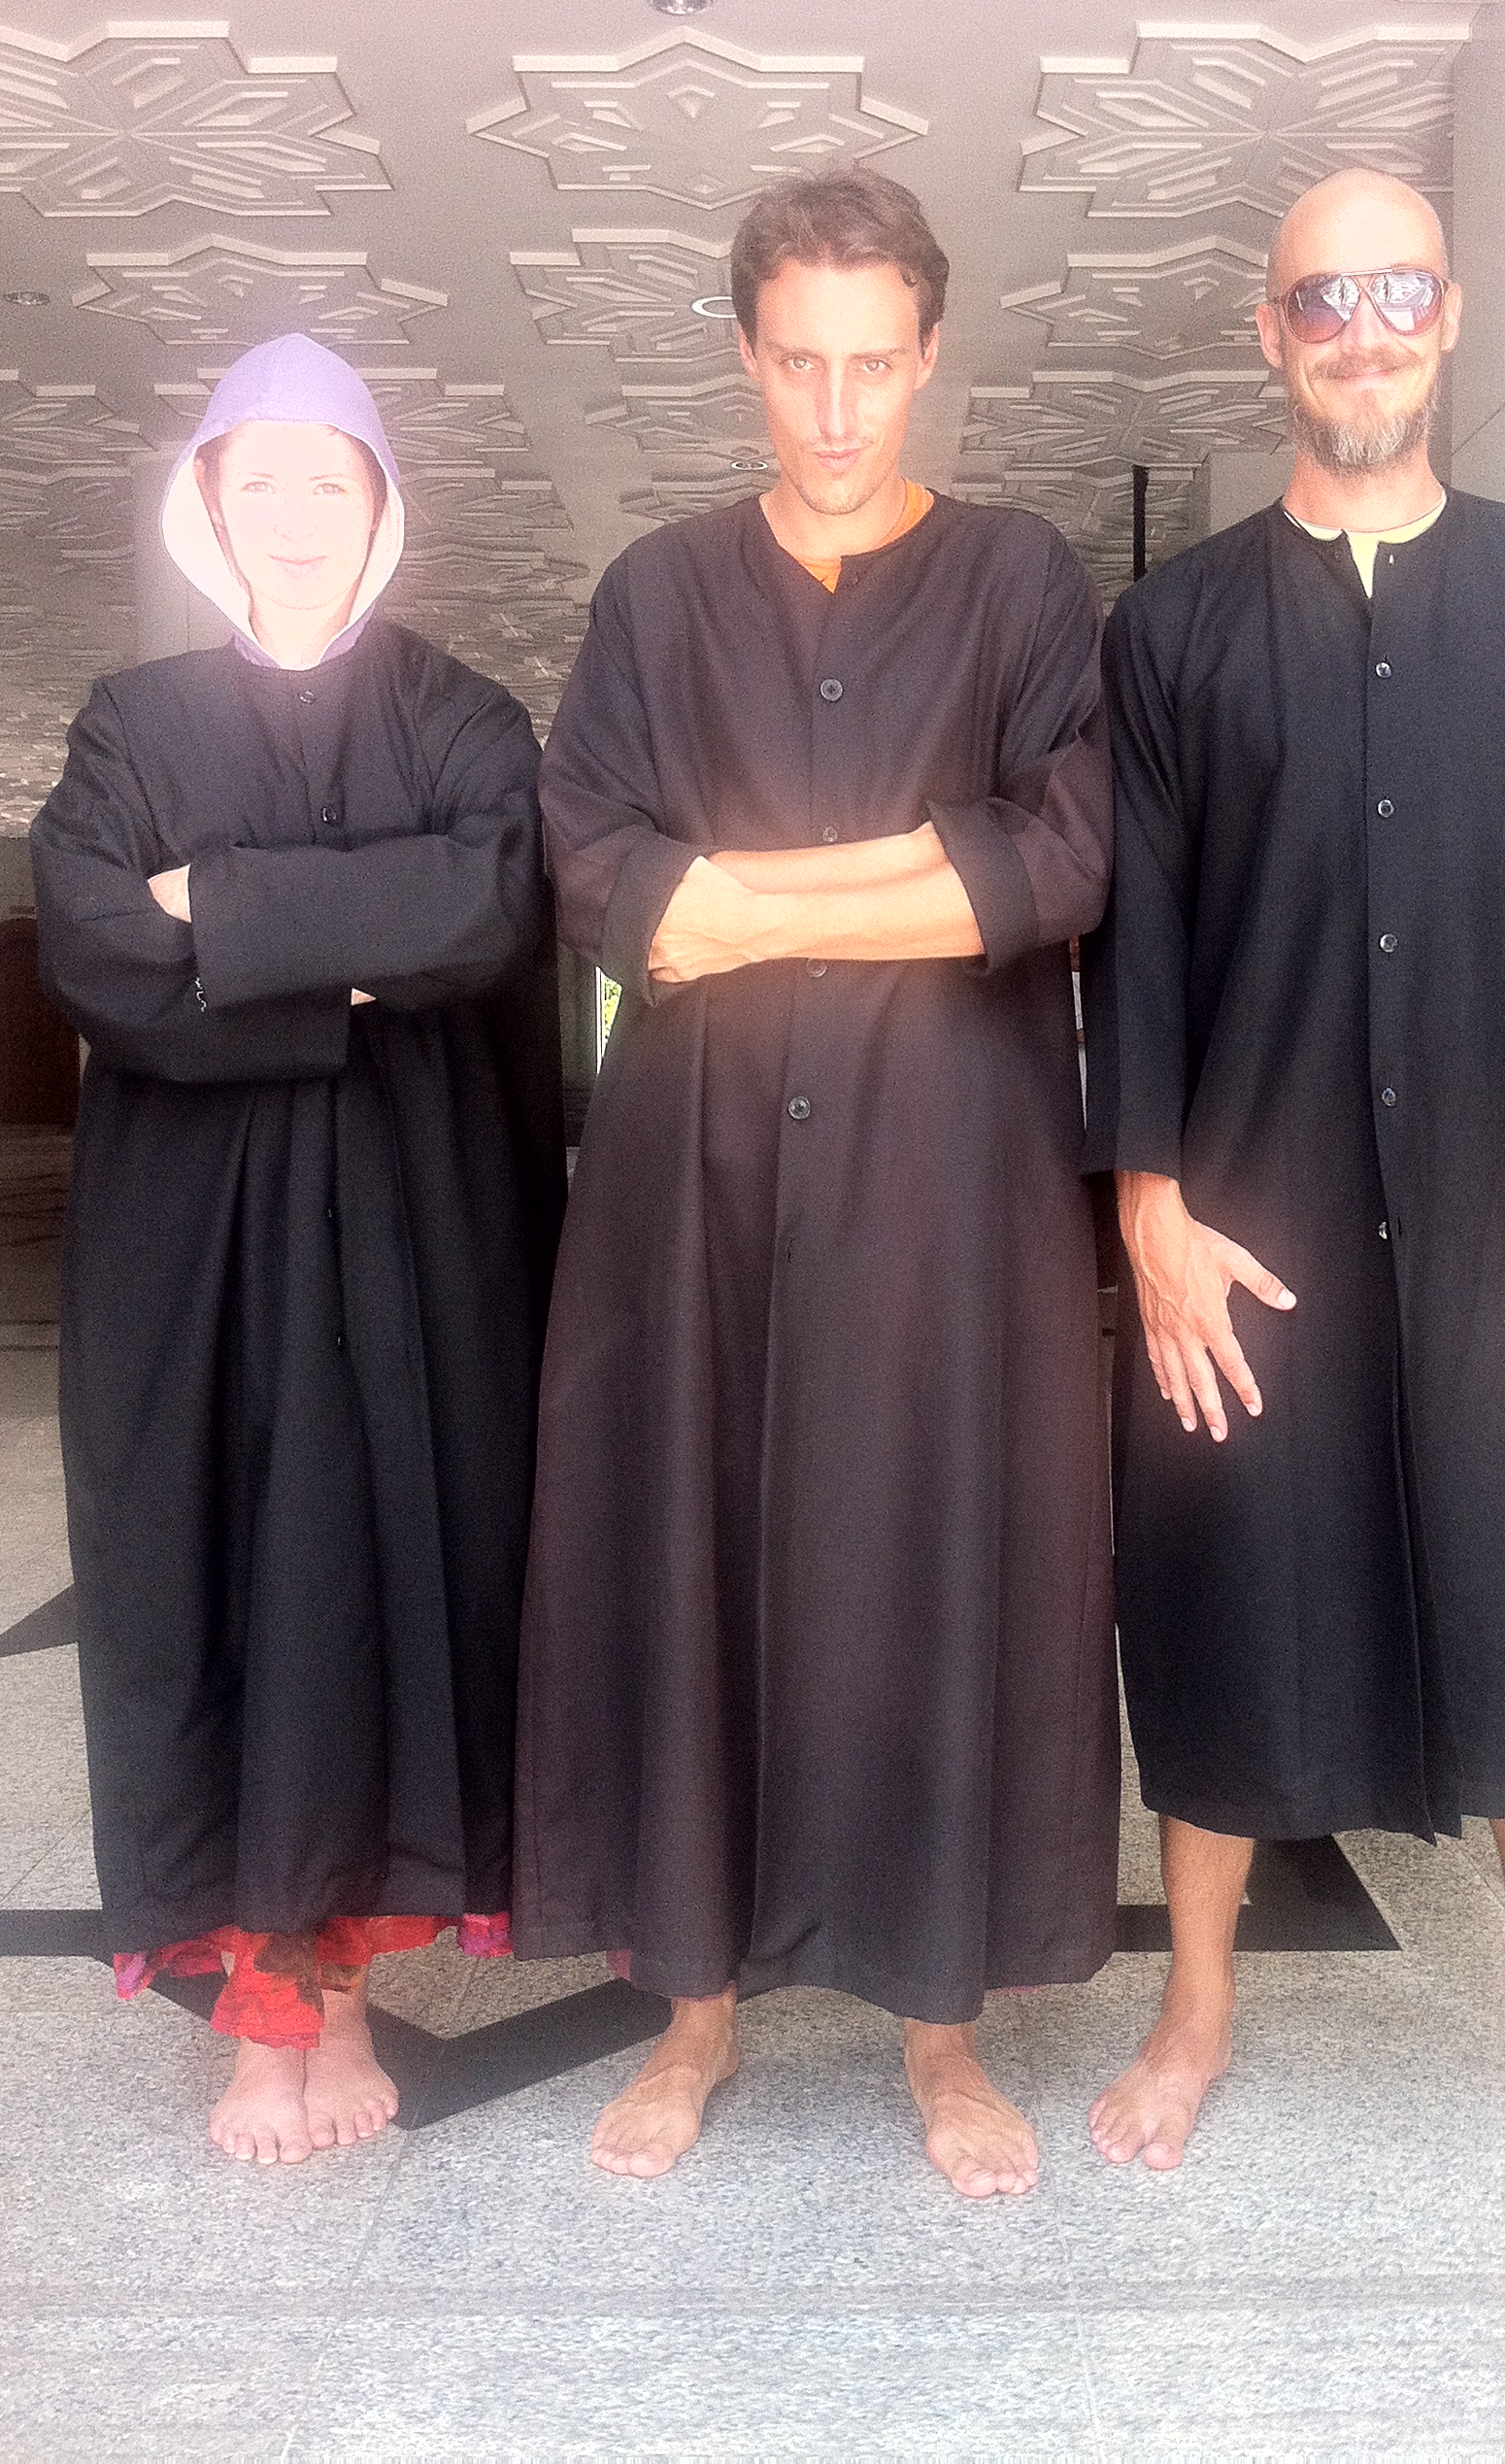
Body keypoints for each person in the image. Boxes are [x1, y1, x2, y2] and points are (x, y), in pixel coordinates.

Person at [1081, 169, 1505, 2177]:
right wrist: (1146, 1212)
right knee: (1224, 1585)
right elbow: (1135, 946)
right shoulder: (1171, 633)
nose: (1359, 329)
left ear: (1448, 316)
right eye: (1320, 299)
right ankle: (1195, 2008)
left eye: (1396, 291)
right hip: (1251, 1217)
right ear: (1268, 333)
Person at [514, 170, 1119, 2198]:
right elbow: (605, 883)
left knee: (938, 1573)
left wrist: (748, 897)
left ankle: (943, 2039)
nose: (839, 410)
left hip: (950, 1198)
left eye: (874, 364)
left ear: (930, 352)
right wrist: (918, 875)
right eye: (799, 365)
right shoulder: (654, 594)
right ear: (745, 356)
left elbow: (1057, 863)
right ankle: (694, 2023)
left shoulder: (1018, 579)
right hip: (687, 1201)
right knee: (689, 1571)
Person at [31, 333, 566, 2166]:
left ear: (379, 506)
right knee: (218, 1596)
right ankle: (253, 2034)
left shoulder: (464, 716)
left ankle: (337, 2009)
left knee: (380, 1593)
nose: (291, 515)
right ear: (204, 504)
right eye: (255, 479)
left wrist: (225, 908)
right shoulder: (128, 724)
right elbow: (97, 949)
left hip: (416, 1246)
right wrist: (344, 950)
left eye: (324, 481)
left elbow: (482, 908)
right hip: (191, 1262)